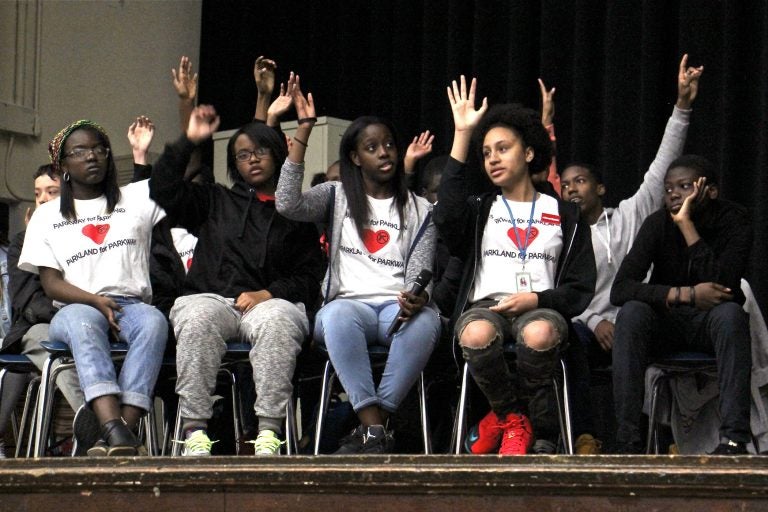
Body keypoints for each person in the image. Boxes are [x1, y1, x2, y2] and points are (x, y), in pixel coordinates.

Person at [149, 90, 323, 456]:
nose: (252, 159)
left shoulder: (296, 211)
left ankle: (269, 432)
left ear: (277, 151)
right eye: (242, 155)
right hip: (212, 299)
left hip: (268, 303)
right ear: (234, 164)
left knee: (279, 319)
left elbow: (309, 277)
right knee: (195, 315)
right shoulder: (214, 200)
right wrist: (189, 140)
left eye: (259, 150)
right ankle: (195, 429)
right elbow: (162, 189)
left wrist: (269, 293)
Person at [275, 77, 441, 454]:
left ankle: (372, 428)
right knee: (336, 317)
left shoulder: (419, 208)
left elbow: (421, 269)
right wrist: (303, 130)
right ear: (354, 157)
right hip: (349, 307)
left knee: (429, 319)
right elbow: (287, 203)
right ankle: (374, 426)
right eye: (371, 147)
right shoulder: (336, 196)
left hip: (395, 310)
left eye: (388, 145)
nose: (384, 153)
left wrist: (419, 296)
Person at [433, 76, 595, 455]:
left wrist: (537, 299)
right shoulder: (480, 209)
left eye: (503, 148)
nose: (492, 158)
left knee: (538, 335)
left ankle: (542, 435)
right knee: (473, 336)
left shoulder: (565, 213)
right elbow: (446, 216)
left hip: (541, 308)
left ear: (528, 153)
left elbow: (579, 288)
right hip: (485, 307)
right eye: (487, 152)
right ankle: (513, 419)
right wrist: (462, 134)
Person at [19, 120, 168, 456]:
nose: (92, 156)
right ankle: (116, 429)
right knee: (84, 325)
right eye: (80, 151)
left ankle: (117, 434)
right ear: (64, 167)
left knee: (154, 323)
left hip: (131, 304)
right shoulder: (46, 216)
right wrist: (94, 300)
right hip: (74, 306)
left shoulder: (131, 198)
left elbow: (173, 173)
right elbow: (51, 284)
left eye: (99, 149)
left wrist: (185, 112)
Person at [610, 154, 753, 454]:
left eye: (684, 186)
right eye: (668, 188)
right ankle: (627, 440)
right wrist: (683, 294)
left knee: (730, 315)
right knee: (632, 312)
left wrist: (687, 226)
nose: (673, 194)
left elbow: (724, 284)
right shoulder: (656, 224)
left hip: (710, 326)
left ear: (709, 190)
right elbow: (620, 289)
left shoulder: (734, 220)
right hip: (668, 323)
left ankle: (733, 440)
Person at [0, 164, 85, 458]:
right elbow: (25, 299)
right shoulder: (23, 241)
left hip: (84, 321)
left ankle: (102, 422)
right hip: (37, 325)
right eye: (38, 194)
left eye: (52, 192)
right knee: (51, 344)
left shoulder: (83, 234)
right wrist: (67, 310)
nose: (43, 199)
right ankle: (95, 417)